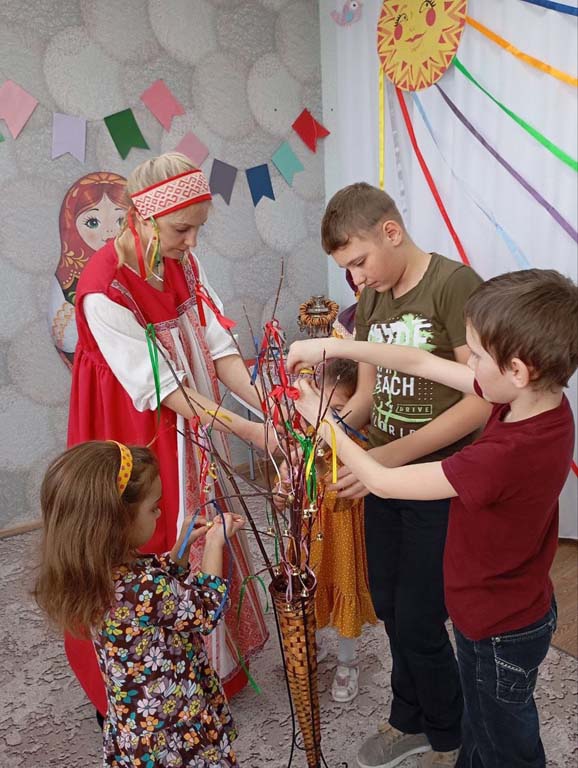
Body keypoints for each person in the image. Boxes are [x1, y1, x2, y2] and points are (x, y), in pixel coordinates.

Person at [288, 268, 578, 768]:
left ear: (517, 369)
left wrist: (325, 422)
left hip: (497, 627)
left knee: (506, 742)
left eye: (477, 355)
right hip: (504, 609)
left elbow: (381, 481)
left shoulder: (505, 455)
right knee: (483, 727)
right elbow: (419, 360)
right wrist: (332, 348)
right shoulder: (537, 403)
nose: (469, 366)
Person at [67, 153, 268, 717]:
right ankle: (148, 672)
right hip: (134, 422)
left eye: (199, 228)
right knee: (153, 523)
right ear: (144, 217)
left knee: (203, 515)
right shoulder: (104, 288)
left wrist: (267, 407)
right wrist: (250, 432)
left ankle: (208, 664)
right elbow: (162, 388)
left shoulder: (180, 260)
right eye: (183, 229)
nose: (192, 241)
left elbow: (218, 347)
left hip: (192, 410)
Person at [315, 183, 490, 766]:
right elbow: (367, 397)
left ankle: (449, 733)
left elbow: (479, 402)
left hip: (436, 482)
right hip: (381, 477)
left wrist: (384, 461)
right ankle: (410, 718)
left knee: (419, 617)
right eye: (347, 269)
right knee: (390, 605)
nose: (356, 278)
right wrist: (328, 430)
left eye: (359, 261)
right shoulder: (371, 299)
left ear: (391, 232)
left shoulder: (453, 285)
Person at [34, 440, 244, 767]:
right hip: (174, 730)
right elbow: (206, 609)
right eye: (153, 507)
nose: (160, 512)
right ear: (117, 521)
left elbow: (158, 598)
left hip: (137, 726)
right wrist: (215, 542)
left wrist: (181, 548)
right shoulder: (144, 588)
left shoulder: (98, 572)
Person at [310, 358, 378, 702]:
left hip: (344, 532)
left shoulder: (361, 445)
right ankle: (313, 643)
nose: (327, 419)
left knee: (344, 584)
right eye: (321, 407)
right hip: (311, 530)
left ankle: (347, 661)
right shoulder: (309, 434)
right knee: (310, 583)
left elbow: (345, 490)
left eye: (337, 410)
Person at [49, 171, 128, 368]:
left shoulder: (146, 269)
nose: (110, 231)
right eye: (93, 222)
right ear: (71, 225)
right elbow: (67, 340)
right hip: (98, 371)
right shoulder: (68, 280)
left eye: (122, 220)